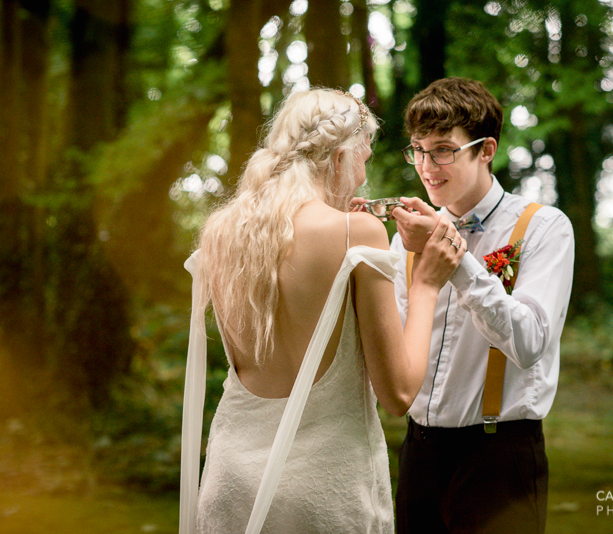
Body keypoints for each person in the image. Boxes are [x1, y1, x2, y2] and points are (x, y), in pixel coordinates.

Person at [178, 88, 466, 534]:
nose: (362, 179)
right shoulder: (358, 233)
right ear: (340, 158)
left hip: (230, 483)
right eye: (364, 159)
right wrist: (426, 283)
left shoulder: (222, 233)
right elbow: (399, 395)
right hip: (321, 492)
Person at [389, 78, 575, 533]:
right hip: (418, 452)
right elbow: (394, 342)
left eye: (443, 150)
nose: (426, 166)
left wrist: (457, 263)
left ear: (486, 149)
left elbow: (529, 341)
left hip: (499, 456)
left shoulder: (543, 227)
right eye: (417, 149)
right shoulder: (405, 238)